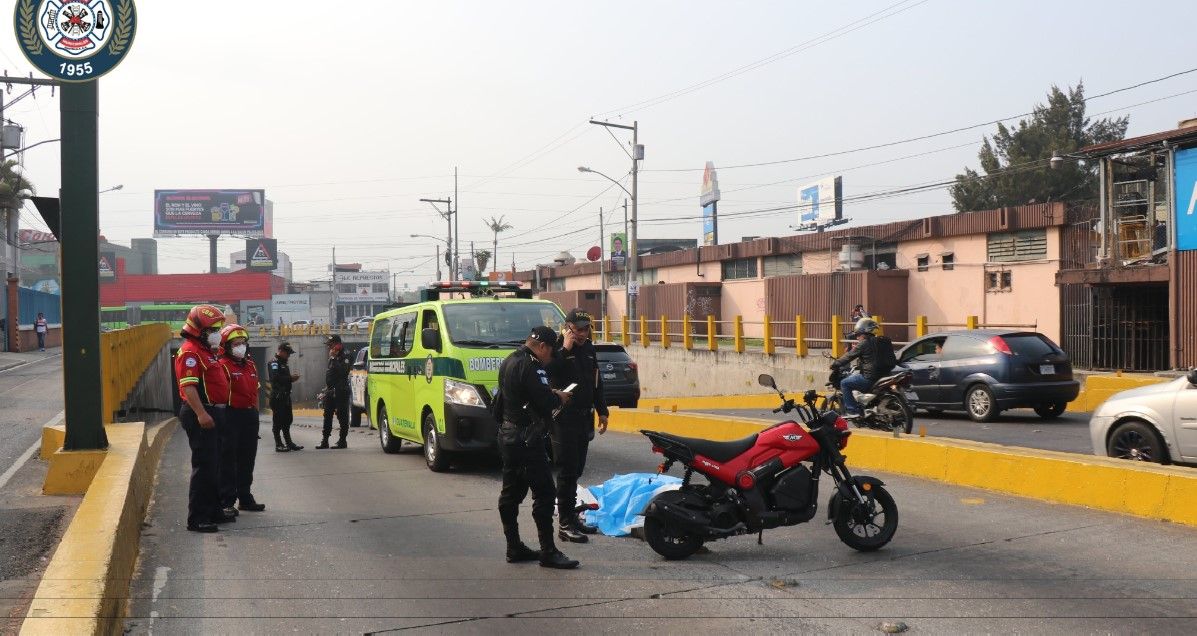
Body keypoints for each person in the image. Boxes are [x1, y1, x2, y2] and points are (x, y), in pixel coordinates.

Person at [495, 325, 577, 569]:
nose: (550, 357)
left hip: (508, 435)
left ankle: (513, 546)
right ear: (543, 347)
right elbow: (544, 402)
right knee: (544, 493)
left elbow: (504, 400)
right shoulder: (532, 365)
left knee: (511, 493)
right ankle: (548, 551)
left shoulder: (509, 360)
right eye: (550, 352)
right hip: (526, 438)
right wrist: (558, 397)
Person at [547, 309, 609, 544]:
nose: (583, 333)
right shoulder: (557, 348)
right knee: (566, 471)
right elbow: (548, 373)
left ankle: (572, 517)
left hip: (584, 417)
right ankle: (564, 524)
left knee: (577, 470)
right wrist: (565, 349)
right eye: (578, 329)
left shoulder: (589, 348)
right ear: (568, 327)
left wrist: (602, 410)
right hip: (564, 418)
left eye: (586, 328)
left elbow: (596, 382)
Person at [175, 304, 234, 533]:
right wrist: (201, 413)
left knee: (215, 464)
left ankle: (214, 510)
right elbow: (189, 388)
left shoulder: (207, 351)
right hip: (201, 412)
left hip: (214, 411)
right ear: (199, 329)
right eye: (213, 329)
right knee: (204, 465)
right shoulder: (190, 352)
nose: (217, 333)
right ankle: (197, 518)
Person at [217, 324, 267, 514]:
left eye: (243, 343)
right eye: (236, 344)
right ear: (226, 347)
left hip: (249, 416)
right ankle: (227, 500)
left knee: (248, 459)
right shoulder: (222, 365)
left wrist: (255, 415)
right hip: (230, 416)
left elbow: (255, 391)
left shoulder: (250, 365)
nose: (241, 347)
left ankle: (245, 497)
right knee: (229, 460)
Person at [832, 317, 896, 418]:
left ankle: (853, 411)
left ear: (864, 333)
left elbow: (848, 356)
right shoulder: (883, 341)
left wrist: (835, 364)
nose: (857, 337)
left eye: (858, 335)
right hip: (886, 375)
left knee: (844, 383)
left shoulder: (863, 344)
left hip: (870, 378)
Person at [318, 334, 351, 449]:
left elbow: (343, 371)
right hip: (330, 391)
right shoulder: (333, 355)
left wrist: (333, 358)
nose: (329, 348)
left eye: (330, 345)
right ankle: (325, 441)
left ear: (338, 344)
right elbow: (331, 373)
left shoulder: (345, 354)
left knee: (342, 416)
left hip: (341, 390)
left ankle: (342, 441)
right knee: (327, 416)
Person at [269, 342, 302, 452]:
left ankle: (289, 443)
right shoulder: (274, 362)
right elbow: (275, 378)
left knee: (287, 420)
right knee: (278, 421)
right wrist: (290, 378)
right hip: (278, 397)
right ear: (281, 351)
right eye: (287, 353)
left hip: (286, 397)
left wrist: (290, 378)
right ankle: (278, 444)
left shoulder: (284, 363)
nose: (289, 356)